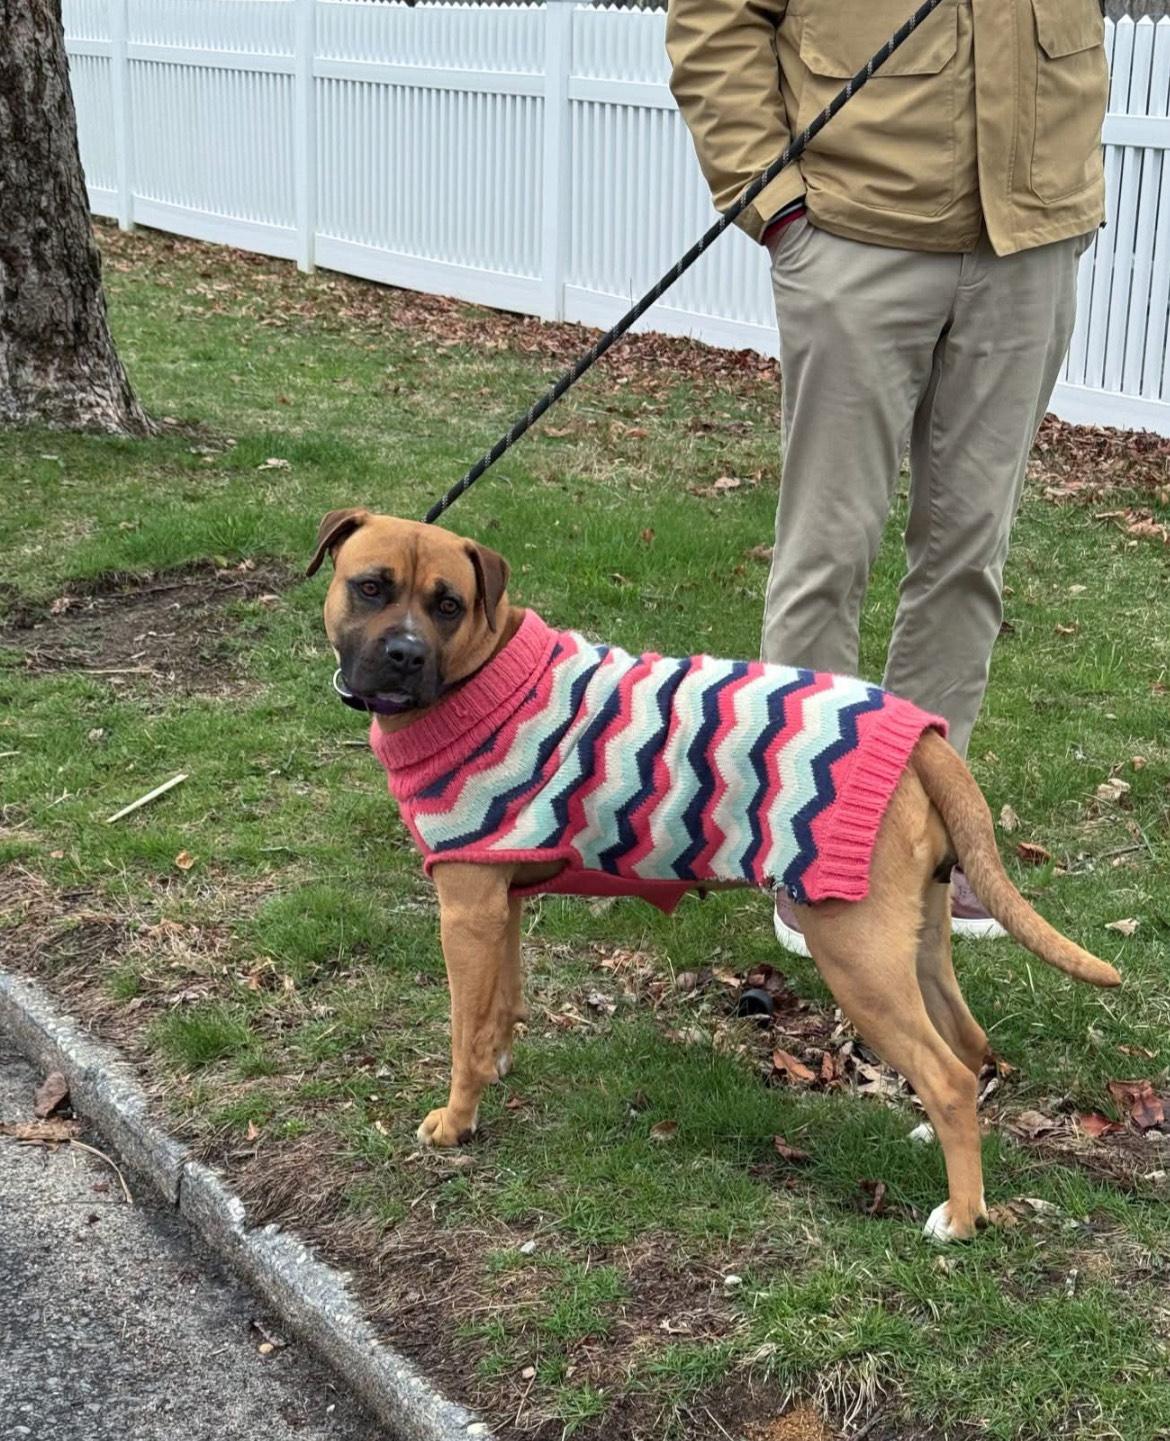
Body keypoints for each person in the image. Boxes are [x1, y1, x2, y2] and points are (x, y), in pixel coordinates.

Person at [666, 0, 1108, 955]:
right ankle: (812, 845)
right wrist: (770, 201)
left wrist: (1066, 199)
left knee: (967, 555)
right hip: (854, 231)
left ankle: (916, 841)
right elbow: (715, 19)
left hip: (1027, 235)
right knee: (829, 548)